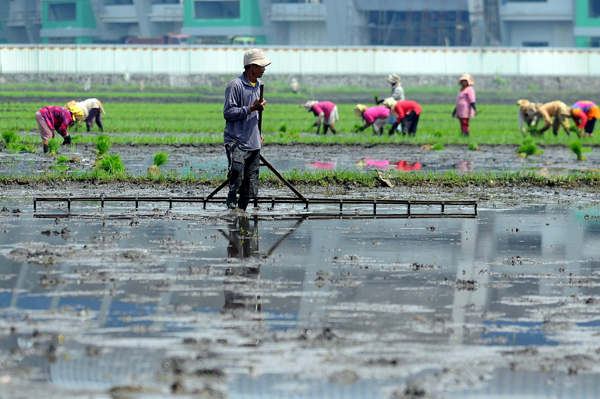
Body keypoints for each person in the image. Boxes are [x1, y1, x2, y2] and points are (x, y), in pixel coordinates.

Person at [223, 48, 271, 211]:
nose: (264, 69)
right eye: (261, 66)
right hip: (236, 140)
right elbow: (228, 113)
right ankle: (231, 203)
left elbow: (255, 114)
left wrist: (258, 133)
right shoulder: (235, 85)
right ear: (252, 66)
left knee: (250, 184)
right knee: (237, 172)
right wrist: (251, 107)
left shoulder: (257, 86)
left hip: (253, 141)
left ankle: (241, 214)